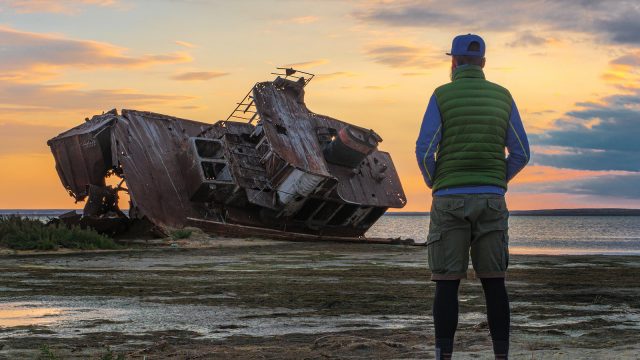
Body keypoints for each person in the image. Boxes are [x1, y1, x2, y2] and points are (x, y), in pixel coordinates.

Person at [415, 34, 530, 360]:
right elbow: (521, 152)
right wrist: (495, 180)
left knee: (446, 283)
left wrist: (436, 182)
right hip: (491, 200)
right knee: (495, 284)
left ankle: (443, 356)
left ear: (453, 62)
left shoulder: (442, 95)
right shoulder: (503, 96)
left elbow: (425, 149)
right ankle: (501, 357)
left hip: (449, 198)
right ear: (483, 63)